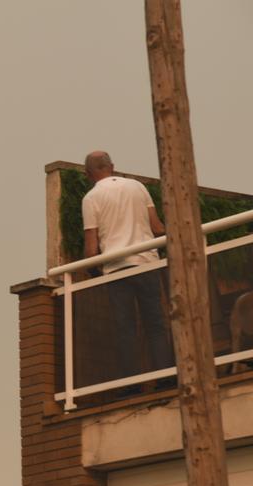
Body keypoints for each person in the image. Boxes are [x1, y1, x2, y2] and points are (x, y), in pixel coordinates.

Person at [81, 150, 172, 388]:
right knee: (156, 324)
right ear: (112, 166)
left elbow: (91, 248)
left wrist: (93, 271)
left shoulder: (91, 198)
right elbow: (157, 227)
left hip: (116, 269)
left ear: (88, 174)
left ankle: (130, 386)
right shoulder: (137, 187)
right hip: (145, 263)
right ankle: (165, 379)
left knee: (125, 329)